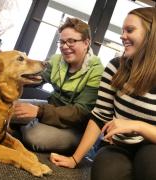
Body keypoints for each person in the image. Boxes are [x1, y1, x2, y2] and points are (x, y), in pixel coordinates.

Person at [50, 7, 156, 180]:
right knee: (105, 173)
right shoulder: (115, 67)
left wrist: (137, 126)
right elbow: (99, 117)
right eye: (122, 31)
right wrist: (75, 159)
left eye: (130, 30)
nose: (122, 36)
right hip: (118, 145)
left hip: (152, 145)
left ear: (152, 35)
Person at [13, 17, 104, 154]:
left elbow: (79, 113)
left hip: (74, 126)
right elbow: (39, 78)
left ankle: (17, 127)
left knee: (35, 137)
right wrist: (16, 74)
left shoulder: (97, 71)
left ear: (86, 43)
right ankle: (20, 126)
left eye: (71, 41)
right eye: (61, 42)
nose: (64, 46)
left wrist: (39, 112)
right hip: (50, 109)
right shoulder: (57, 59)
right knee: (6, 107)